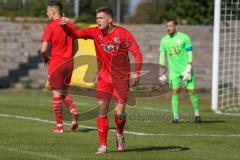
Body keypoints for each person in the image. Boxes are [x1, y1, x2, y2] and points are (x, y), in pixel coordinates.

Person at [61, 7, 142, 154]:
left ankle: (119, 133)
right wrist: (66, 26)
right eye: (97, 18)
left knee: (119, 114)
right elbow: (75, 34)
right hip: (104, 78)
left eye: (101, 18)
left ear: (110, 19)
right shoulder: (94, 32)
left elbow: (137, 52)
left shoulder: (123, 34)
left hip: (121, 79)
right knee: (102, 111)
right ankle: (103, 145)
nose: (98, 21)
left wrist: (136, 73)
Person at [41, 1, 79, 133]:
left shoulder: (50, 26)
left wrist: (45, 56)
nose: (46, 13)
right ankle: (73, 111)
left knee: (57, 94)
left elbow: (43, 49)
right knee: (65, 92)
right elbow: (77, 47)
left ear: (53, 11)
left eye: (47, 11)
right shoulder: (71, 24)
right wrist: (68, 57)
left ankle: (59, 127)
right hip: (69, 62)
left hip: (56, 63)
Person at [159, 18, 202, 124]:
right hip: (174, 72)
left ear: (175, 26)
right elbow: (162, 56)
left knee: (192, 91)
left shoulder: (184, 38)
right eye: (167, 26)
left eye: (170, 26)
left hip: (186, 70)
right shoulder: (164, 40)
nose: (168, 28)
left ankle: (197, 114)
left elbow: (189, 53)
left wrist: (189, 67)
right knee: (175, 92)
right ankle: (176, 117)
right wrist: (161, 71)